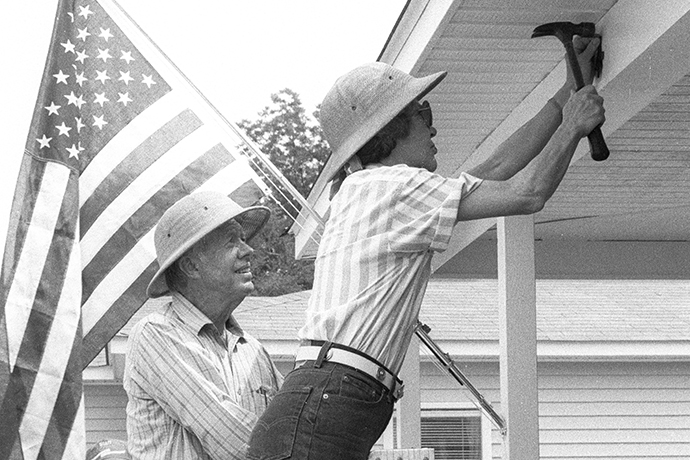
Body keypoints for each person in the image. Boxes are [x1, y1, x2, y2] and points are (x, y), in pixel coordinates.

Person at [247, 37, 605, 460]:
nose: (433, 127)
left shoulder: (372, 189)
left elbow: (496, 169)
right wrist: (573, 126)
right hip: (329, 405)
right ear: (392, 127)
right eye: (424, 113)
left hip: (327, 402)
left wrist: (567, 94)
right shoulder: (391, 187)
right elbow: (526, 194)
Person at [123, 191, 283, 459]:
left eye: (243, 239)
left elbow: (296, 421)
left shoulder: (252, 350)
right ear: (191, 266)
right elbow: (236, 441)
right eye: (232, 241)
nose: (248, 250)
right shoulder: (157, 334)